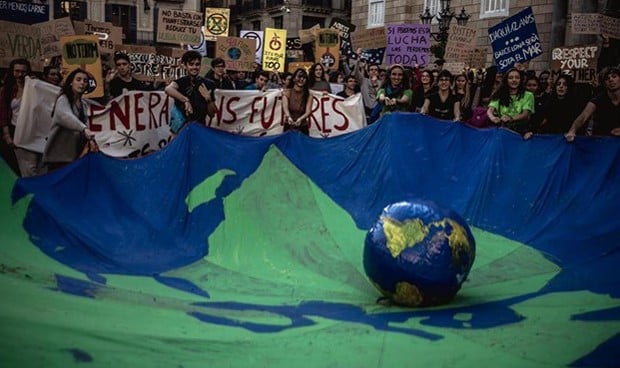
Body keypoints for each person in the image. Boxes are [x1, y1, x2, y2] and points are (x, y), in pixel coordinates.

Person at [43, 69, 97, 172]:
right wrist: (84, 129)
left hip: (77, 156)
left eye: (85, 81)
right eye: (78, 79)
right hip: (59, 158)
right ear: (71, 82)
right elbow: (65, 116)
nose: (82, 83)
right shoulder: (63, 99)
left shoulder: (84, 104)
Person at [565, 66, 620, 141]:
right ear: (604, 83)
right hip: (602, 141)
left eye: (614, 77)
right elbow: (583, 116)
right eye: (607, 78)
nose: (611, 80)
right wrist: (572, 131)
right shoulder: (599, 99)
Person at [165, 50, 215, 126]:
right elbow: (168, 89)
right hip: (180, 128)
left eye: (197, 64)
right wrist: (186, 100)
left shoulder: (209, 84)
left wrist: (208, 99)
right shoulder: (181, 82)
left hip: (199, 128)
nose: (194, 67)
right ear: (185, 66)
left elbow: (212, 114)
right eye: (191, 64)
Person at [0, 58, 31, 176]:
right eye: (17, 71)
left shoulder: (34, 88)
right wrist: (7, 135)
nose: (20, 75)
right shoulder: (6, 90)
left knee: (30, 165)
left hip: (30, 131)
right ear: (12, 72)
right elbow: (3, 114)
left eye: (23, 72)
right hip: (14, 130)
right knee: (15, 165)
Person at [487, 68, 535, 137]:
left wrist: (511, 118)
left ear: (521, 80)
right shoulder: (499, 93)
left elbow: (525, 114)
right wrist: (493, 118)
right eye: (510, 78)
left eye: (517, 77)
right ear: (506, 80)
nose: (514, 80)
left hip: (521, 131)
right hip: (502, 130)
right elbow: (490, 110)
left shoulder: (528, 95)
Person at [282, 68, 313, 135]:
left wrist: (300, 119)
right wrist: (288, 117)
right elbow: (285, 107)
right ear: (293, 79)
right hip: (288, 125)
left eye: (304, 77)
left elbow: (308, 111)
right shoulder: (287, 92)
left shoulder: (309, 95)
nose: (301, 79)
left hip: (302, 127)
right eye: (299, 76)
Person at [353, 50, 381, 119]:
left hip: (378, 111)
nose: (374, 71)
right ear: (368, 72)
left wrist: (375, 85)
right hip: (366, 112)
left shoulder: (381, 83)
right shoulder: (363, 81)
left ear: (378, 73)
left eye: (376, 70)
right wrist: (358, 60)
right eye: (371, 70)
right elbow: (356, 72)